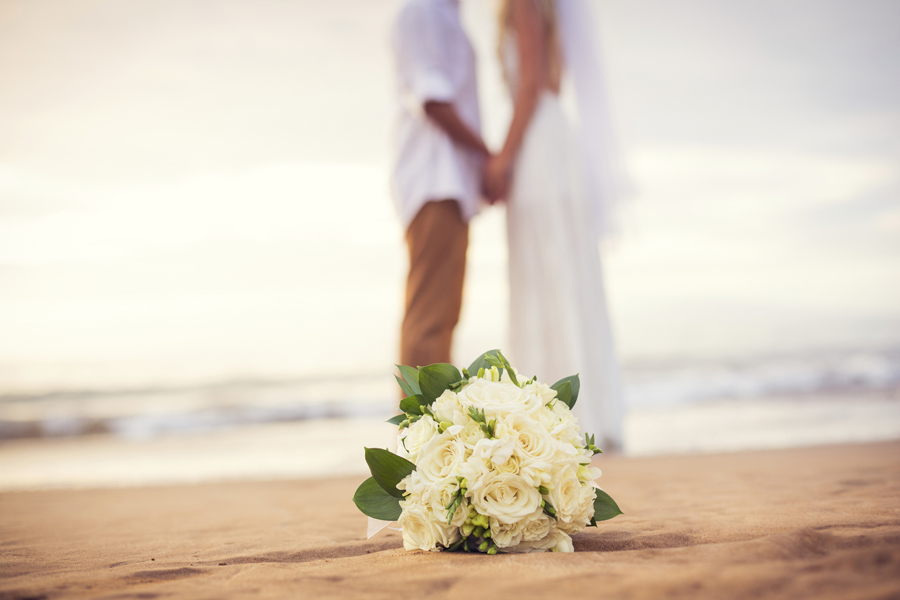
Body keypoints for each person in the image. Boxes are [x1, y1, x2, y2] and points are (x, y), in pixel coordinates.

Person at [485, 0, 625, 451]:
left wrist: (502, 158)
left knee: (541, 276)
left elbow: (531, 85)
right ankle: (585, 414)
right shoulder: (549, 10)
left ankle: (553, 421)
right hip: (554, 142)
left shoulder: (524, 4)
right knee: (563, 275)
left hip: (538, 149)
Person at [390, 0, 491, 372]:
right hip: (434, 178)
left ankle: (432, 427)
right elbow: (431, 98)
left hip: (451, 181)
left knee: (443, 317)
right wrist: (488, 158)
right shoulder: (422, 10)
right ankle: (418, 429)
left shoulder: (444, 13)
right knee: (429, 319)